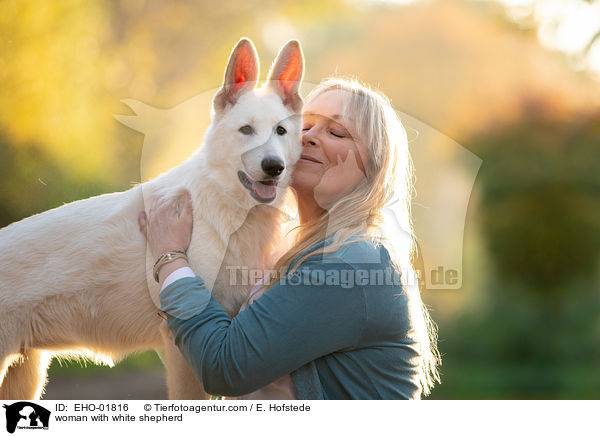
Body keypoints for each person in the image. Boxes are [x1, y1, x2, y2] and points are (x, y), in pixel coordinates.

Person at [138, 77, 440, 399]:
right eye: (298, 126)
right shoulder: (292, 254)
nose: (308, 137)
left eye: (336, 132)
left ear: (374, 165)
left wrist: (170, 256)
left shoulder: (349, 264)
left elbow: (225, 367)